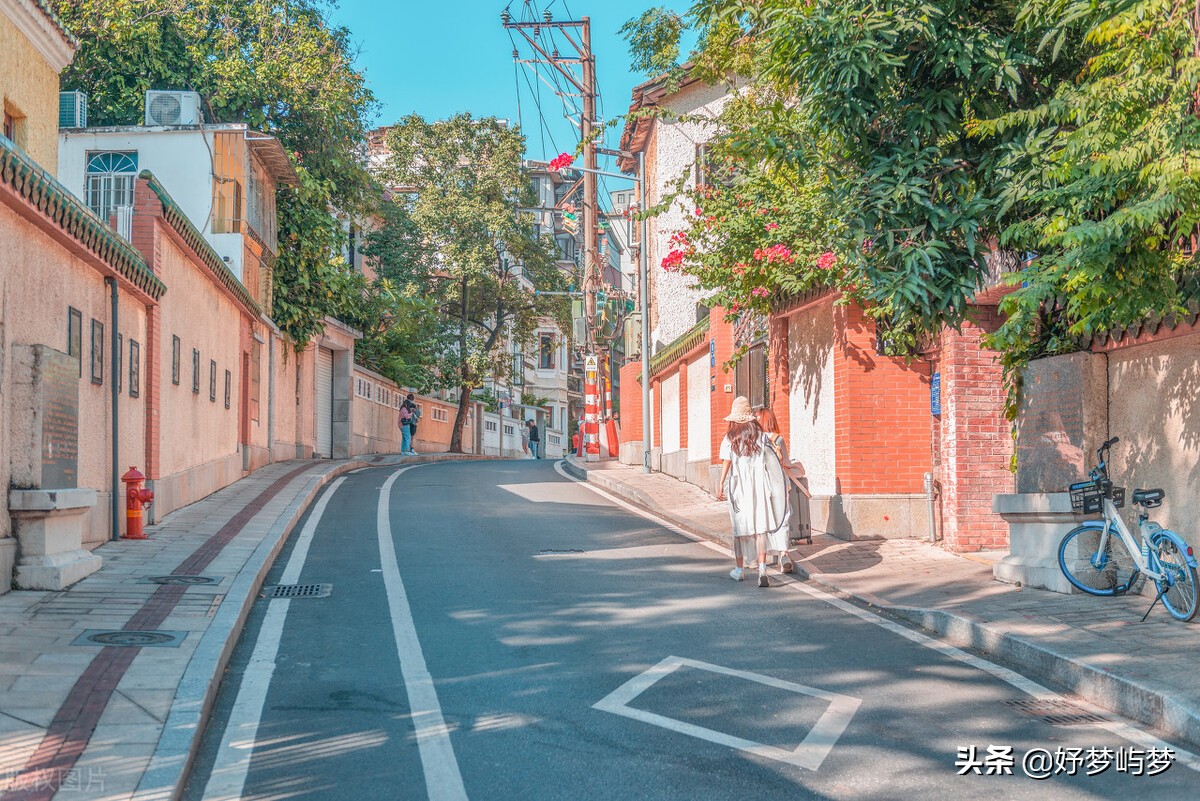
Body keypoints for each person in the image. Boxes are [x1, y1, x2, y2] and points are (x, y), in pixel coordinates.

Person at [715, 396, 791, 588]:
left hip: (739, 486)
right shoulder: (762, 436)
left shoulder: (730, 438)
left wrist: (721, 483)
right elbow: (772, 462)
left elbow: (727, 462)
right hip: (760, 486)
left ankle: (739, 570)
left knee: (739, 529)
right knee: (760, 528)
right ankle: (762, 569)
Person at [756, 408, 797, 573]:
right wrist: (796, 465)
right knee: (783, 518)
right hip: (780, 483)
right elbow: (786, 462)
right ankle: (784, 554)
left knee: (764, 519)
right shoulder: (778, 439)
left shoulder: (755, 440)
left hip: (763, 485)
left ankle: (762, 559)